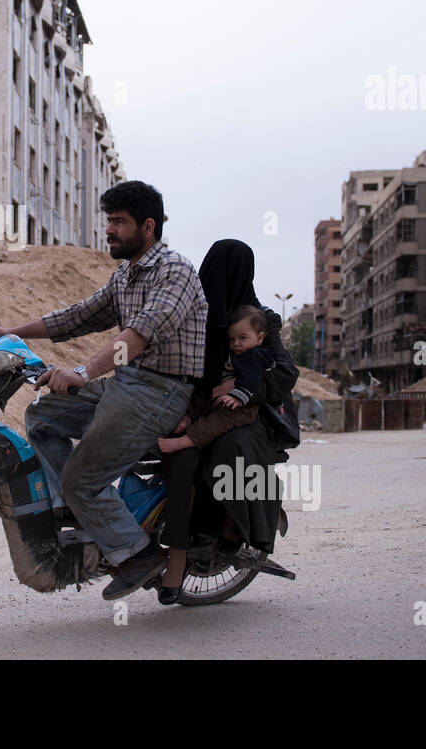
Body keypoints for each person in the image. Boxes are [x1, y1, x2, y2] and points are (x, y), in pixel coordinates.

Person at [0, 181, 208, 601]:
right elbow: (75, 318)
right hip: (127, 385)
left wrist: (83, 372)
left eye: (119, 222)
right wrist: (12, 331)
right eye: (109, 221)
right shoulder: (125, 275)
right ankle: (77, 505)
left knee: (83, 476)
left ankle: (137, 557)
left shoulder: (176, 272)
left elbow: (139, 336)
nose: (109, 230)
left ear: (149, 226)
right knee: (42, 416)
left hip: (160, 392)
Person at [156, 239, 299, 603]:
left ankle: (232, 529)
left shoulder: (260, 320)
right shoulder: (195, 316)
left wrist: (241, 383)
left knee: (229, 446)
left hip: (252, 411)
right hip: (197, 404)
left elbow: (284, 373)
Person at [157, 304, 275, 602]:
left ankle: (206, 541)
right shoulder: (216, 338)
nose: (236, 344)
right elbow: (204, 388)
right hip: (212, 405)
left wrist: (237, 391)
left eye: (242, 338)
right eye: (233, 339)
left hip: (239, 414)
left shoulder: (257, 352)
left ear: (259, 337)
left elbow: (266, 379)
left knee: (203, 440)